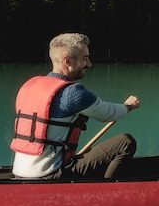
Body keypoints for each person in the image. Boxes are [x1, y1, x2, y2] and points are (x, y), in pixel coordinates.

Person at [11, 33, 141, 179]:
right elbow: (109, 113)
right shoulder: (72, 93)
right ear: (67, 61)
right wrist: (128, 106)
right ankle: (107, 192)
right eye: (85, 58)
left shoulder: (29, 86)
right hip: (51, 174)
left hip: (19, 171)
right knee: (125, 142)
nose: (90, 64)